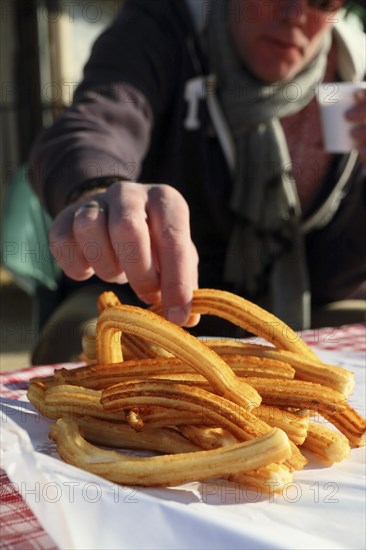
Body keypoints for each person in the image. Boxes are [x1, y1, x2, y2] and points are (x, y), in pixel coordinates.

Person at [28, 0, 366, 364]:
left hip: (298, 305)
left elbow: (332, 271)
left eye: (322, 1)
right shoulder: (165, 29)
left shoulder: (350, 77)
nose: (295, 13)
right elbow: (98, 118)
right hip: (150, 303)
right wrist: (97, 188)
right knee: (77, 337)